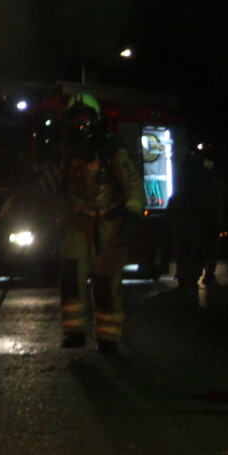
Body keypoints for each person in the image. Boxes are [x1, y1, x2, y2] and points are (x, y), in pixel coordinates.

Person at [57, 92, 145, 354]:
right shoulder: (66, 150)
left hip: (108, 224)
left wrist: (131, 215)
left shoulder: (111, 148)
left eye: (85, 118)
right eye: (75, 119)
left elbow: (132, 184)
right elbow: (62, 189)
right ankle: (74, 331)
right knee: (71, 277)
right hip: (78, 223)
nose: (80, 124)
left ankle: (107, 336)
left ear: (96, 120)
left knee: (106, 283)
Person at [170, 141, 225, 293]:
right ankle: (195, 275)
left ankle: (187, 276)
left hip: (191, 219)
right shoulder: (206, 178)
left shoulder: (185, 178)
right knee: (199, 249)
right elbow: (215, 199)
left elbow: (176, 199)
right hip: (199, 219)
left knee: (189, 249)